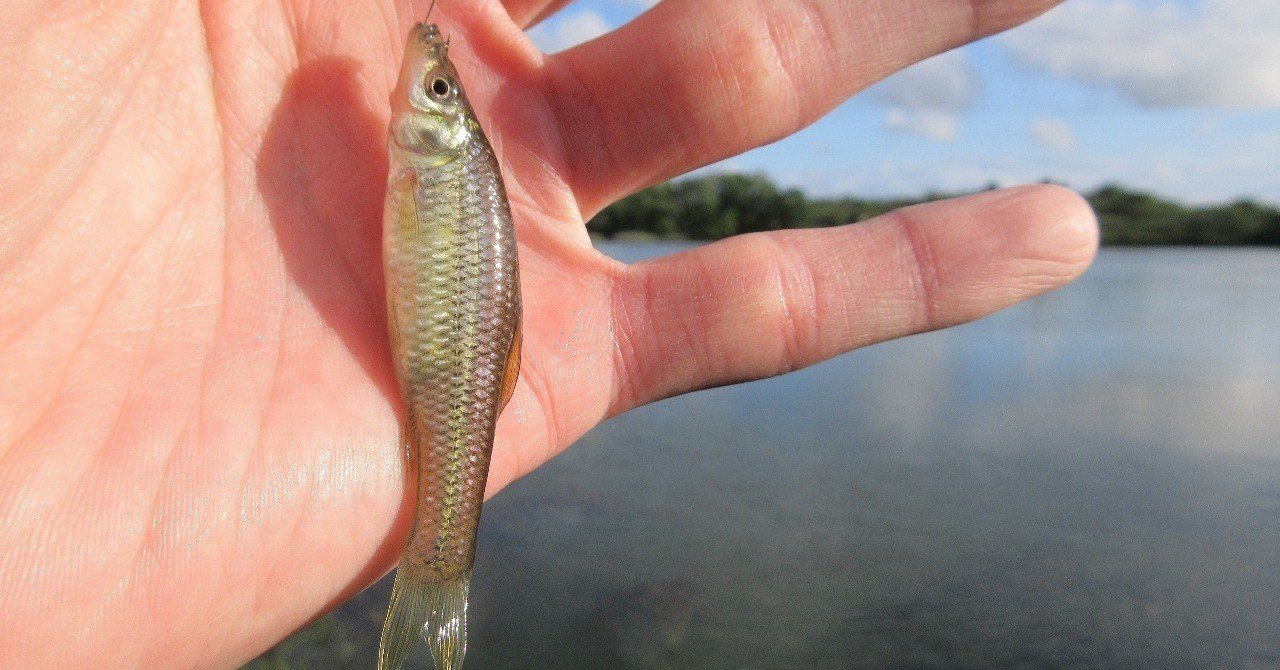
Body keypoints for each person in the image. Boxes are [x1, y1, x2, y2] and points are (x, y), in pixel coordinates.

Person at [0, 0, 1096, 666]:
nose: (421, 95)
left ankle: (441, 570)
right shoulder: (433, 163)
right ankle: (441, 571)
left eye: (433, 92)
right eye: (440, 88)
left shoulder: (442, 160)